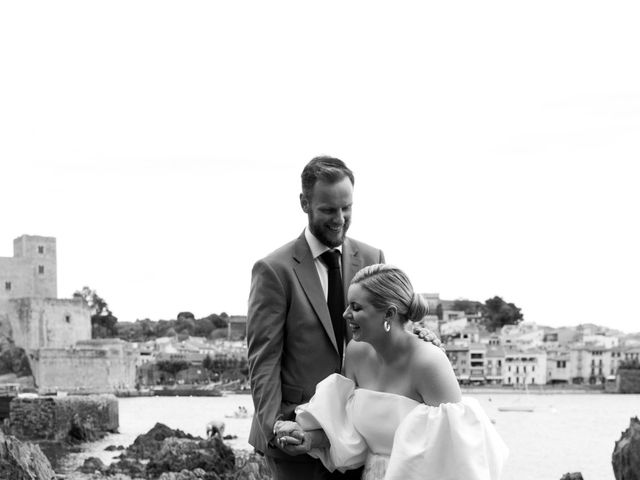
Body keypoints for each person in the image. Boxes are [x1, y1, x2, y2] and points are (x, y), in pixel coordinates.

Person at [247, 156, 443, 480]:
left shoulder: (372, 257)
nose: (339, 219)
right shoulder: (273, 271)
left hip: (360, 433)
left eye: (347, 208)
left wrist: (418, 336)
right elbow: (263, 361)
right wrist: (277, 428)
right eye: (328, 210)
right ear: (304, 203)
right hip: (296, 437)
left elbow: (389, 326)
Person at [274, 264, 509, 480]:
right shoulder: (356, 353)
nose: (345, 314)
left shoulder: (429, 362)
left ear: (388, 314)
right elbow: (349, 433)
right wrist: (307, 439)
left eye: (356, 307)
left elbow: (459, 458)